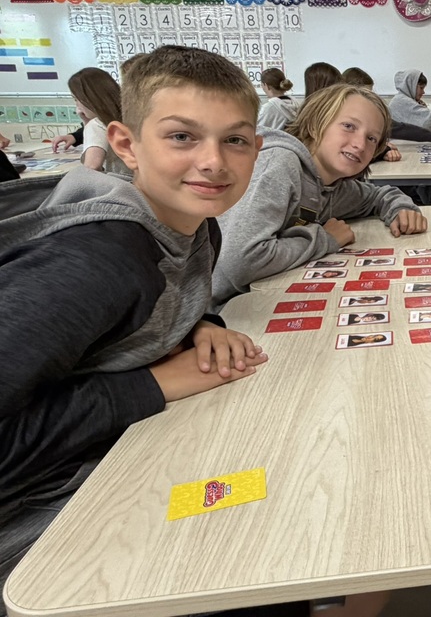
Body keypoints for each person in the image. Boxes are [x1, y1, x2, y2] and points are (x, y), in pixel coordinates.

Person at [0, 45, 269, 609]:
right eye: (182, 137)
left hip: (112, 459)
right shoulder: (97, 261)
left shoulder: (196, 225)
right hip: (31, 520)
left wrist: (201, 322)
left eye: (235, 140)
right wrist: (152, 384)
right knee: (266, 535)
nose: (214, 162)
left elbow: (145, 306)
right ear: (125, 144)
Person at [212, 84, 427, 309]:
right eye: (348, 126)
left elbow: (377, 195)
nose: (360, 144)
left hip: (266, 299)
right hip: (221, 314)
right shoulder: (280, 163)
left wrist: (401, 207)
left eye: (372, 138)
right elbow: (241, 262)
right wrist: (325, 239)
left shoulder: (334, 186)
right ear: (317, 123)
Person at [68, 67, 128, 174]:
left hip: (118, 185)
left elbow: (92, 167)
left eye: (76, 99)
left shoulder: (96, 125)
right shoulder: (127, 117)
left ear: (88, 99)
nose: (76, 105)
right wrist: (86, 123)